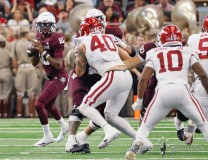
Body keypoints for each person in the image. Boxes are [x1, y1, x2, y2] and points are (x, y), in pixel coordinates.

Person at [125, 25, 208, 160]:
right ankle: (188, 129)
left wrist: (139, 100)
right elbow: (203, 75)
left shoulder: (154, 52)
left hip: (162, 92)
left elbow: (144, 78)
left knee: (145, 126)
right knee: (203, 124)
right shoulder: (187, 51)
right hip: (182, 91)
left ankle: (134, 149)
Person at [65, 8, 137, 153]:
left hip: (103, 74)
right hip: (84, 74)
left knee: (101, 111)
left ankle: (83, 136)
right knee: (80, 106)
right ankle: (71, 141)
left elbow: (131, 53)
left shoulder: (112, 34)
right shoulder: (85, 36)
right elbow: (79, 69)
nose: (99, 24)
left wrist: (123, 46)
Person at [30, 12, 69, 146]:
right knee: (48, 105)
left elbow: (58, 64)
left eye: (47, 25)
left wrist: (42, 51)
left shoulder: (57, 37)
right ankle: (64, 126)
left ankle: (47, 136)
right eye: (42, 25)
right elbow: (34, 63)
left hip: (60, 77)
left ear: (52, 25)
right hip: (50, 77)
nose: (44, 28)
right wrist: (35, 52)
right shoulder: (38, 37)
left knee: (39, 104)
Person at [181, 15, 208, 145]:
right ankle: (191, 129)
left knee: (199, 115)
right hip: (201, 82)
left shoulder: (194, 38)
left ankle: (189, 131)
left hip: (201, 82)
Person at [11, 27, 38, 118]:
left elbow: (14, 60)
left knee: (20, 92)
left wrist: (16, 69)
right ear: (26, 34)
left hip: (21, 68)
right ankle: (31, 114)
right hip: (30, 67)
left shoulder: (16, 45)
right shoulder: (31, 44)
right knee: (31, 92)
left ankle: (19, 114)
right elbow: (35, 57)